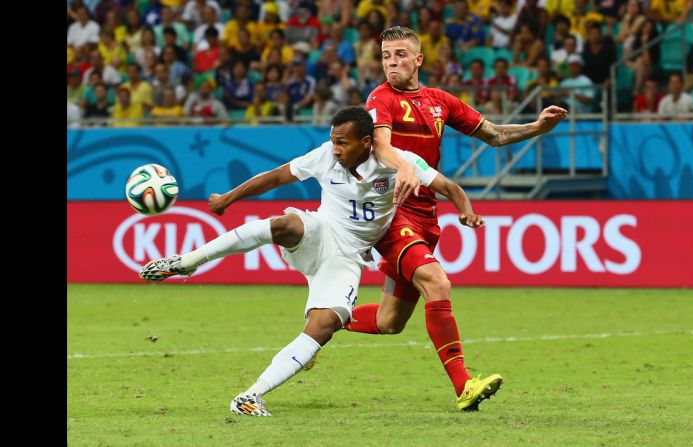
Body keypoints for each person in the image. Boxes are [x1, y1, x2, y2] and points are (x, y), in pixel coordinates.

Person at [138, 106, 485, 416]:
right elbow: (275, 176)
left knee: (323, 326)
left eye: (343, 143)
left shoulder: (400, 162)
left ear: (366, 142)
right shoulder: (325, 156)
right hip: (321, 231)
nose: (336, 149)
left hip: (347, 257)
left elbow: (450, 187)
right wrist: (230, 197)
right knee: (285, 224)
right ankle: (186, 262)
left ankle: (250, 396)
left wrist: (466, 211)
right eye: (333, 140)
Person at [344, 25, 568, 411]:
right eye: (384, 56)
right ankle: (464, 385)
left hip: (426, 216)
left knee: (389, 321)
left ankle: (326, 319)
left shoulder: (440, 101)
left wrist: (537, 127)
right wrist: (404, 167)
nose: (391, 62)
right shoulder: (379, 98)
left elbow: (494, 135)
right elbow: (380, 144)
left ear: (418, 59)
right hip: (393, 212)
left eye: (399, 55)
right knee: (437, 282)